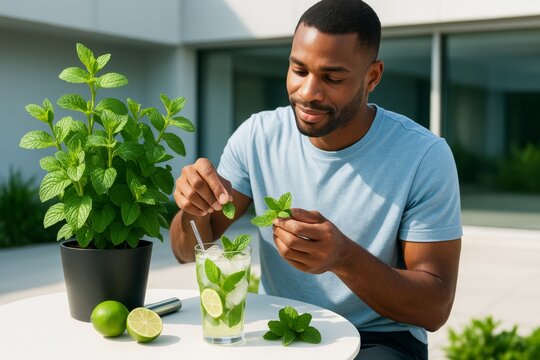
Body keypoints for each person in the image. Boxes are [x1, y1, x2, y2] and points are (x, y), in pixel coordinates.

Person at [170, 0, 462, 358]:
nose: (308, 92)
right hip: (285, 329)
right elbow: (186, 250)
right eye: (299, 70)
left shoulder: (423, 156)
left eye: (332, 77)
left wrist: (343, 258)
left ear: (373, 76)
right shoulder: (257, 136)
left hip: (377, 338)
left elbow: (434, 307)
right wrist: (192, 209)